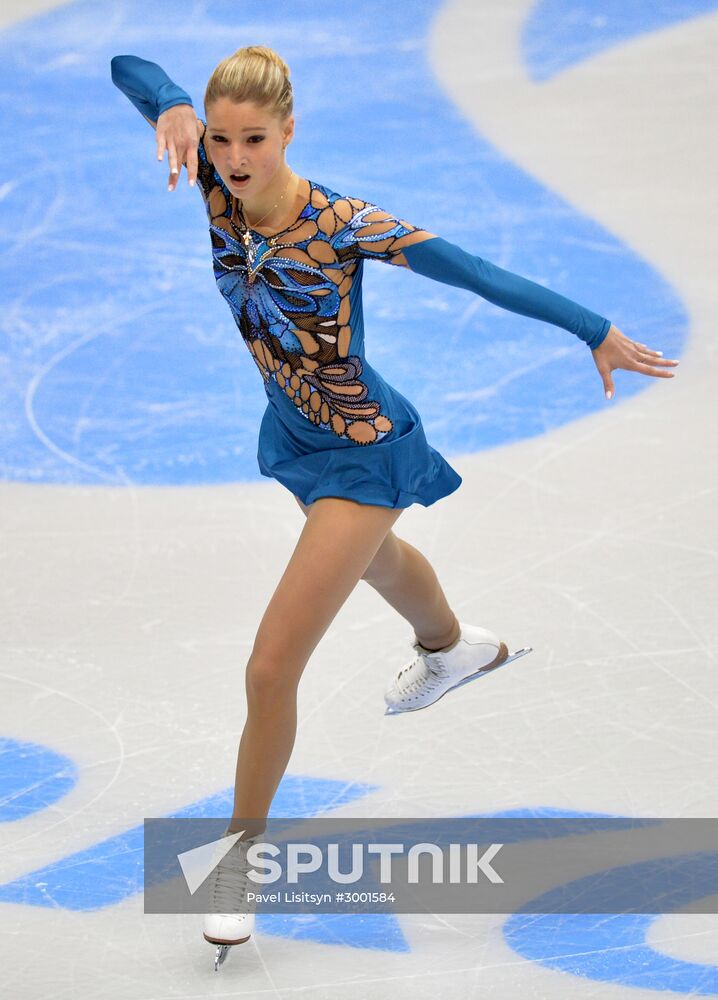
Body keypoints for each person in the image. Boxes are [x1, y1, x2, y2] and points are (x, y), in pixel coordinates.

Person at [110, 45, 679, 966]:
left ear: (289, 131)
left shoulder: (343, 222)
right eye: (220, 139)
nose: (236, 156)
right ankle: (454, 647)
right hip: (294, 435)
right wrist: (171, 105)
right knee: (374, 563)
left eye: (254, 138)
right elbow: (126, 65)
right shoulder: (216, 185)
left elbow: (478, 272)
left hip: (362, 450)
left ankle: (237, 864)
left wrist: (595, 330)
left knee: (268, 670)